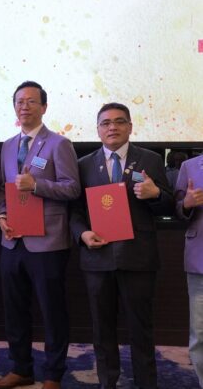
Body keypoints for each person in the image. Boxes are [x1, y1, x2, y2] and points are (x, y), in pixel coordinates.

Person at [70, 102, 172, 389]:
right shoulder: (83, 164)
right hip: (97, 257)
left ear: (130, 127)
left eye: (119, 121)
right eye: (106, 123)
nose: (112, 127)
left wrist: (155, 194)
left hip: (138, 258)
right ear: (98, 130)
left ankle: (146, 383)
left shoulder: (150, 159)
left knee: (141, 329)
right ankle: (107, 382)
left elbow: (169, 205)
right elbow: (75, 211)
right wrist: (82, 234)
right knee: (102, 329)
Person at [0, 81, 80, 389]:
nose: (24, 106)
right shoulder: (7, 146)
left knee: (52, 311)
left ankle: (53, 374)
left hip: (48, 242)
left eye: (31, 101)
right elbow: (3, 189)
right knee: (15, 309)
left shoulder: (59, 144)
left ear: (44, 107)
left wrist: (37, 185)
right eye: (19, 101)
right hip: (12, 240)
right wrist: (1, 216)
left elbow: (72, 188)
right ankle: (21, 369)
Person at [174, 154, 203, 388]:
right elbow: (177, 211)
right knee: (200, 334)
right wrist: (186, 204)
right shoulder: (189, 166)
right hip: (199, 260)